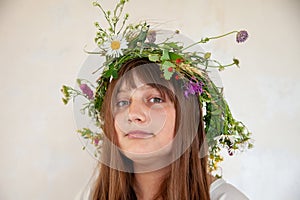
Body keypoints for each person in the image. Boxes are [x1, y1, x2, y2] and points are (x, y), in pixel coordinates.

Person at [61, 1, 253, 199]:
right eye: (122, 102)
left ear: (187, 115)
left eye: (154, 99)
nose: (133, 114)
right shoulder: (90, 196)